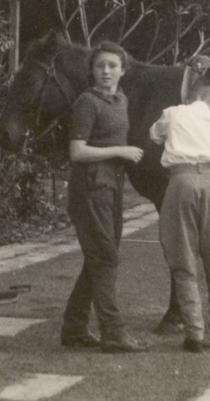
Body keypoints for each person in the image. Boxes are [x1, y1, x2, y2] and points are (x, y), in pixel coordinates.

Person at [61, 41, 147, 353]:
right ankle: (113, 332)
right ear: (92, 71)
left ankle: (74, 328)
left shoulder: (120, 100)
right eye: (100, 66)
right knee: (105, 257)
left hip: (111, 187)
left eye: (112, 65)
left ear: (123, 70)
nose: (106, 71)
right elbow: (77, 151)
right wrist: (120, 151)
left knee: (98, 257)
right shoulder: (87, 102)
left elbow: (117, 136)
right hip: (90, 188)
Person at [149, 81, 210, 353]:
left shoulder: (174, 112)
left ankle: (194, 335)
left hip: (182, 180)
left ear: (191, 97)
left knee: (183, 257)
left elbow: (154, 135)